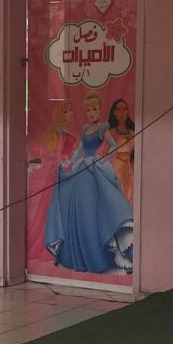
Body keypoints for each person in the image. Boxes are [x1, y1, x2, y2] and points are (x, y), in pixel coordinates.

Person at [43, 92, 134, 273]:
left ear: (100, 109)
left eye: (94, 109)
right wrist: (69, 163)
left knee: (92, 212)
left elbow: (113, 146)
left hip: (93, 169)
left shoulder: (103, 128)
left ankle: (97, 256)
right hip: (82, 169)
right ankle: (79, 256)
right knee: (79, 210)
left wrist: (100, 159)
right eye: (88, 110)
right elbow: (79, 149)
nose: (91, 113)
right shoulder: (85, 129)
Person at [106, 98, 136, 202]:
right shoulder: (112, 132)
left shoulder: (133, 132)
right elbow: (105, 154)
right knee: (120, 195)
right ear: (114, 113)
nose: (122, 112)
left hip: (130, 168)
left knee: (130, 194)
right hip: (118, 167)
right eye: (118, 109)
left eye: (125, 109)